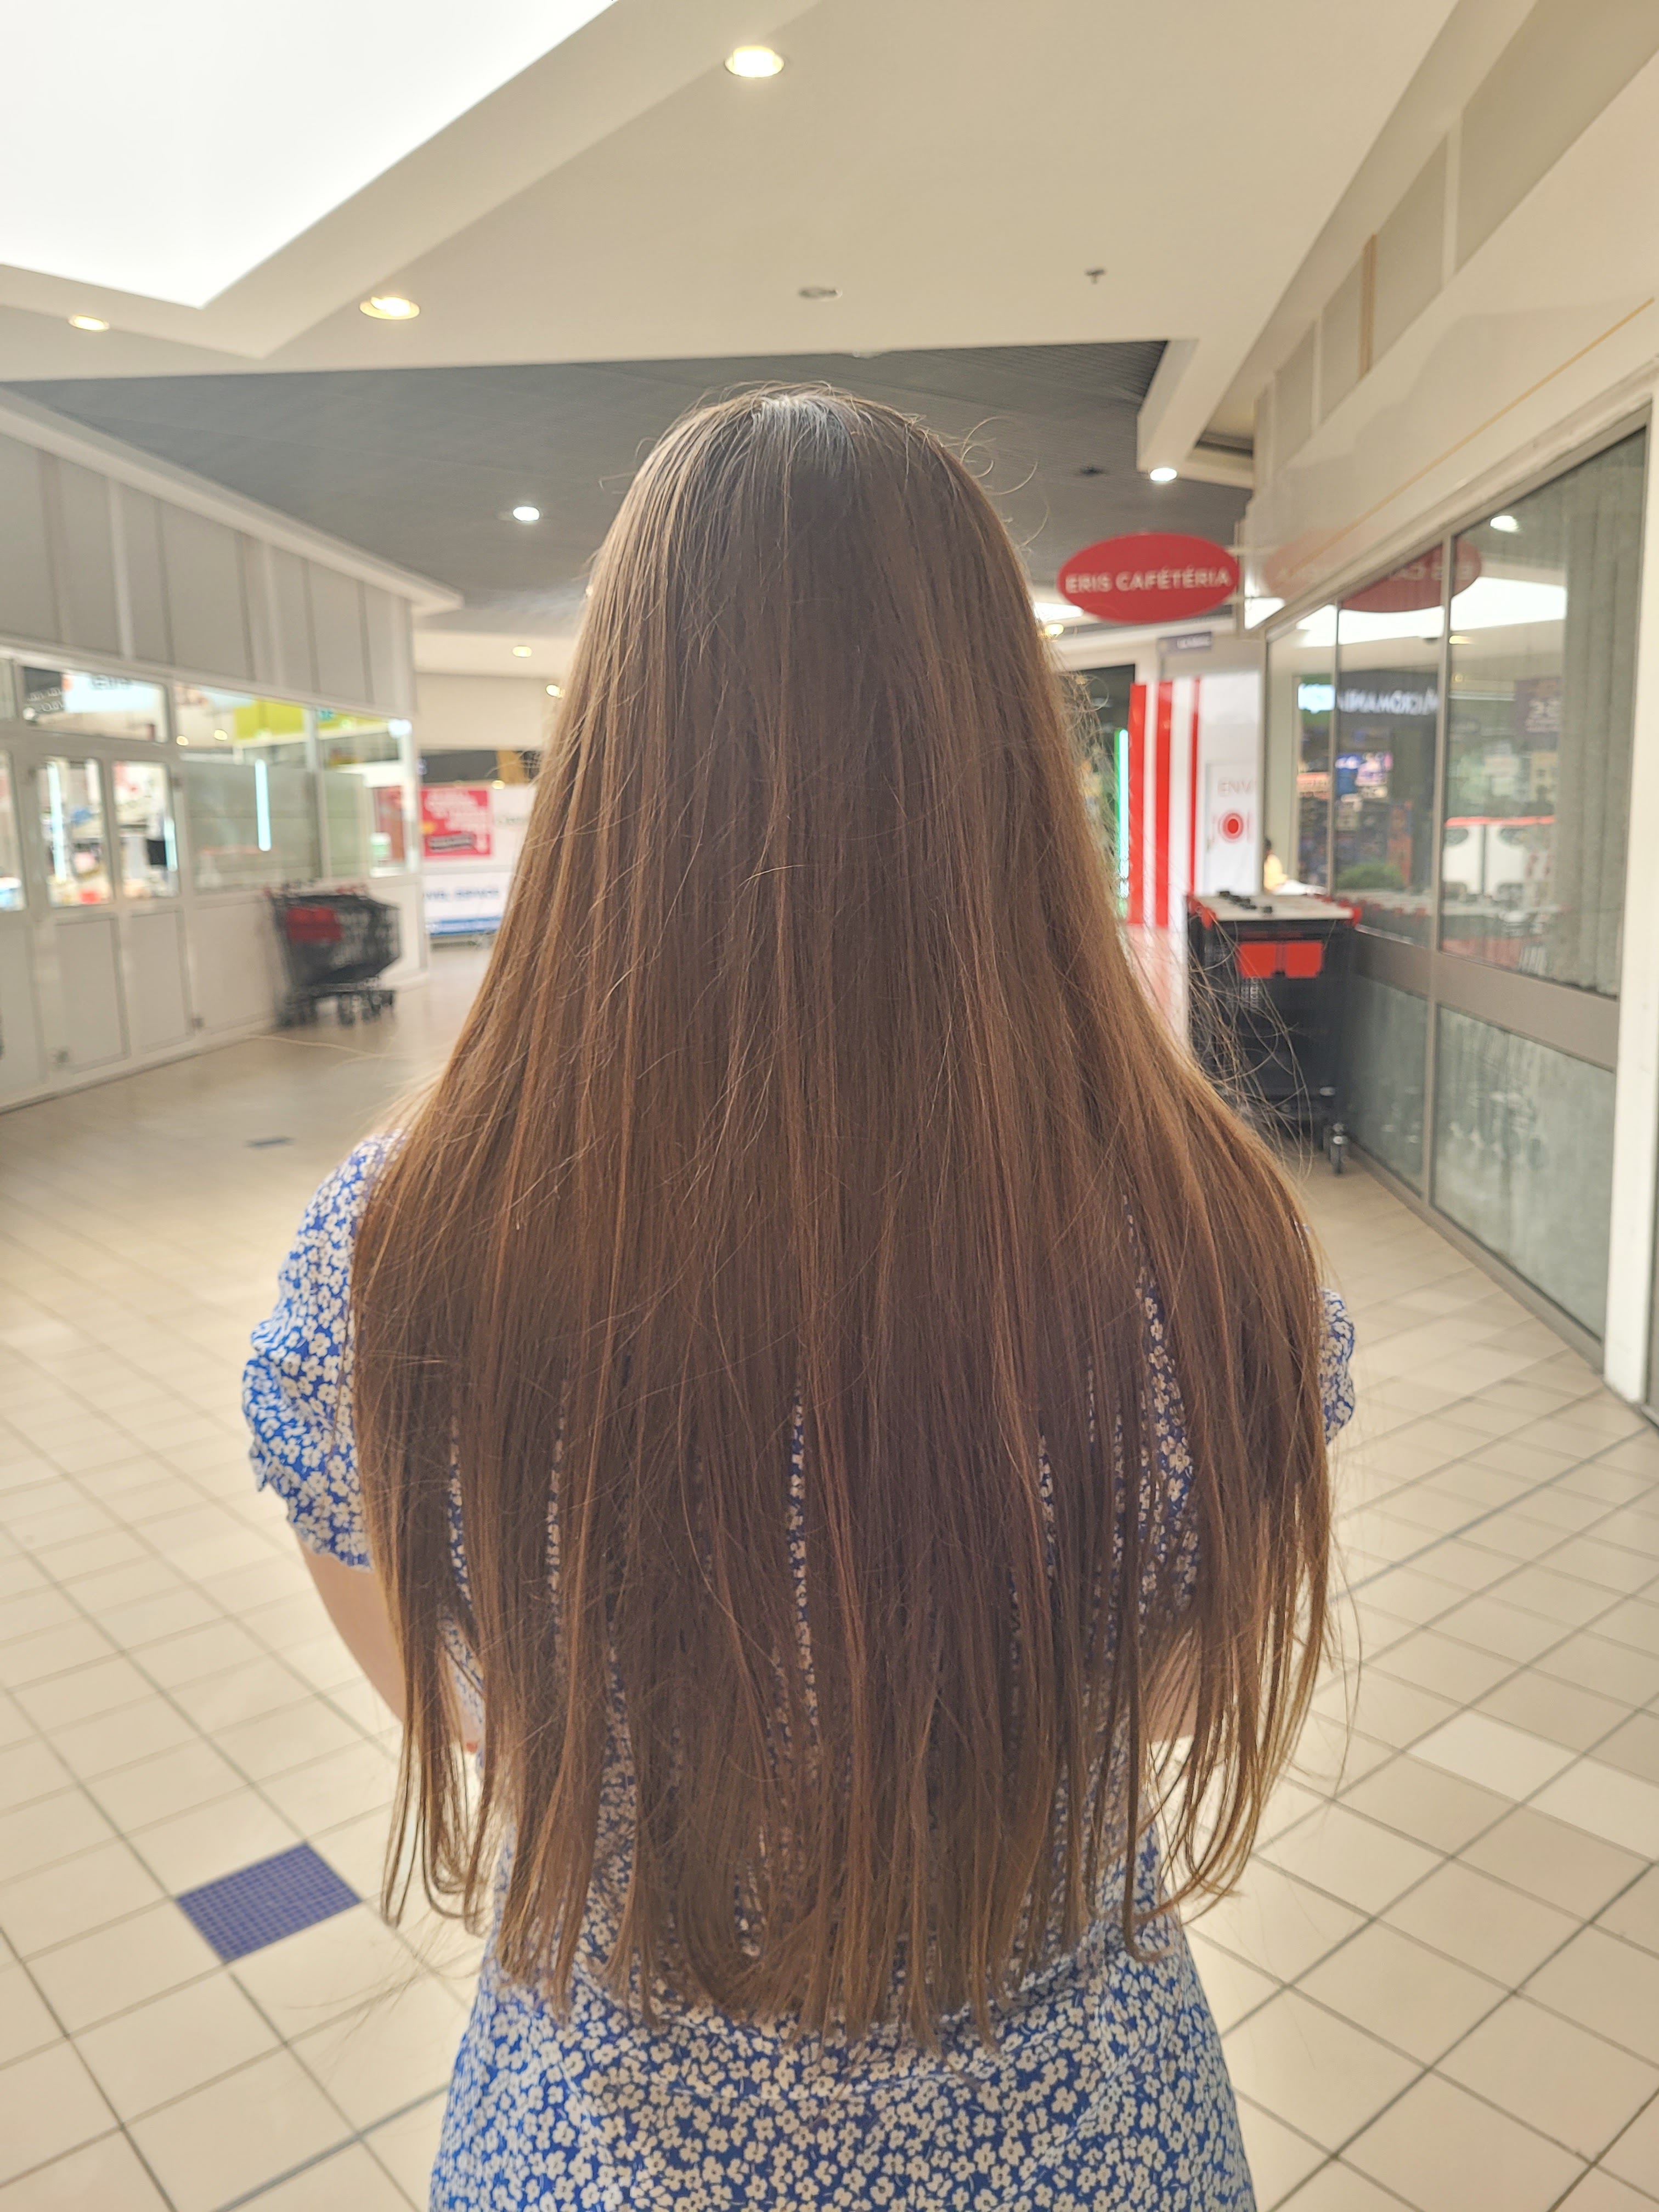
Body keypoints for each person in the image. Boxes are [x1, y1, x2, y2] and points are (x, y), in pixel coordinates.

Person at [246, 390, 1353, 2210]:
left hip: (601, 2142)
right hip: (1085, 2137)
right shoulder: (1202, 1237)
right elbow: (1162, 1707)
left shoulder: (403, 1247)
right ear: (1005, 753)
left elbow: (481, 1718)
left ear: (610, 761)